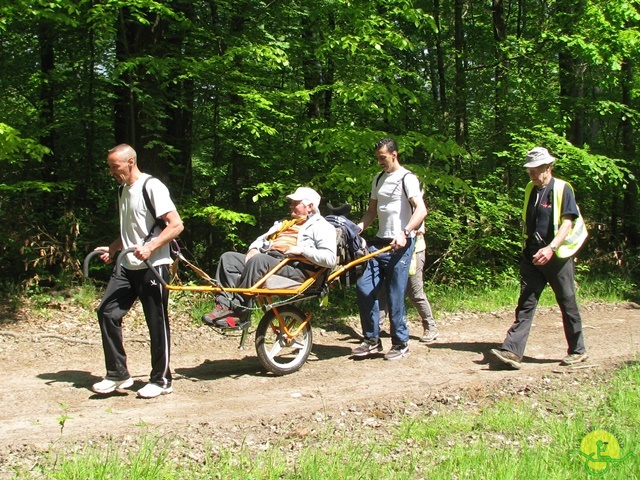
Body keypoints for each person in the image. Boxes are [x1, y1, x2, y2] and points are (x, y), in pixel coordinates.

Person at [92, 144, 184, 398]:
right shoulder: (123, 189)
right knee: (107, 311)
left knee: (156, 323)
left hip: (153, 266)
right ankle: (117, 373)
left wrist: (151, 246)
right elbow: (131, 230)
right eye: (110, 166)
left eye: (115, 166)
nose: (111, 171)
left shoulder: (151, 187)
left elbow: (176, 225)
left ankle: (162, 379)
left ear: (130, 162)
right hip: (126, 265)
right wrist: (113, 249)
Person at [490, 147, 588, 370]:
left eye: (536, 170)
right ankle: (512, 351)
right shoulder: (530, 189)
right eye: (529, 170)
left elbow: (567, 222)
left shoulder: (563, 189)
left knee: (567, 302)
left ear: (548, 167)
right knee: (525, 303)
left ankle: (578, 351)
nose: (532, 174)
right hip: (533, 256)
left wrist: (551, 248)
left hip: (557, 257)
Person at [202, 187, 337, 328]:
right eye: (291, 202)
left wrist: (302, 250)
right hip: (271, 259)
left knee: (259, 260)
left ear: (309, 207)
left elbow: (330, 259)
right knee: (228, 259)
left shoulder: (322, 226)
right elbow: (261, 240)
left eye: (295, 202)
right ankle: (222, 306)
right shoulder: (283, 223)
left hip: (296, 267)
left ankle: (239, 313)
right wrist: (254, 249)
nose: (290, 205)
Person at [352, 138, 427, 360]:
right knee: (365, 288)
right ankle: (371, 340)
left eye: (383, 158)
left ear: (394, 154)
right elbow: (371, 212)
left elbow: (421, 210)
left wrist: (405, 233)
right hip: (379, 243)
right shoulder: (378, 179)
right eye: (377, 158)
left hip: (401, 245)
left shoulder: (407, 178)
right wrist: (354, 230)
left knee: (395, 295)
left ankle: (400, 342)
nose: (379, 162)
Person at [378, 225, 439, 343]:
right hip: (393, 252)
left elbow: (421, 230)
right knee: (385, 289)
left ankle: (431, 327)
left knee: (415, 291)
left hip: (414, 253)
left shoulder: (416, 208)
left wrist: (404, 233)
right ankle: (376, 327)